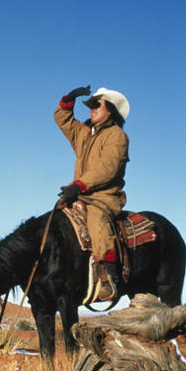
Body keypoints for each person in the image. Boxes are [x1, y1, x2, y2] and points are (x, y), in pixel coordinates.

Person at [54, 85, 130, 301]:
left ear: (111, 110)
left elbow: (108, 168)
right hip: (79, 193)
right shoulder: (84, 133)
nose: (92, 109)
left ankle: (109, 277)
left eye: (98, 105)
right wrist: (68, 100)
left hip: (104, 197)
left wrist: (79, 185)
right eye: (91, 105)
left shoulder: (117, 136)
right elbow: (63, 120)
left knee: (97, 221)